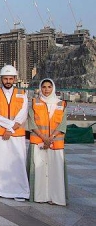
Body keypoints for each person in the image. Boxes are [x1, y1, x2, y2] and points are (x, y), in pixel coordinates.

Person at [0, 65, 29, 201]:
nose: (8, 81)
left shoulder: (22, 94)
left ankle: (19, 191)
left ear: (15, 79)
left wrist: (10, 130)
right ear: (1, 79)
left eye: (10, 78)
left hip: (16, 135)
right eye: (5, 78)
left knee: (17, 163)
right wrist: (9, 127)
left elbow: (23, 114)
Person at [27, 78, 67, 206]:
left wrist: (50, 138)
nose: (46, 89)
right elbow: (31, 123)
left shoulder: (61, 104)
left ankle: (55, 197)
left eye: (49, 87)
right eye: (44, 87)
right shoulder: (34, 102)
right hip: (39, 142)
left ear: (53, 88)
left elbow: (62, 124)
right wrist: (44, 138)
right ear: (40, 88)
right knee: (39, 170)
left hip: (55, 144)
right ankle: (40, 196)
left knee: (55, 171)